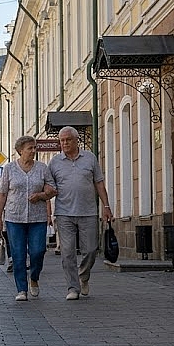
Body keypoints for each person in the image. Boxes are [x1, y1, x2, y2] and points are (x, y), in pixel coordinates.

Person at [49, 125, 113, 301]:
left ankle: (83, 276)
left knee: (91, 250)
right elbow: (48, 187)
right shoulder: (55, 162)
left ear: (76, 140)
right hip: (64, 213)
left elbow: (99, 183)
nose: (65, 143)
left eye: (68, 140)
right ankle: (72, 287)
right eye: (62, 140)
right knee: (67, 253)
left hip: (88, 212)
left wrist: (106, 207)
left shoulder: (89, 158)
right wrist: (48, 210)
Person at [0, 135, 56, 301]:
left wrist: (42, 195)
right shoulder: (9, 169)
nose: (33, 151)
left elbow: (53, 189)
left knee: (38, 251)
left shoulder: (42, 168)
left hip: (38, 218)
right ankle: (21, 289)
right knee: (18, 254)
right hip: (14, 218)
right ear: (20, 150)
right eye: (30, 148)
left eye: (35, 148)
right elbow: (2, 194)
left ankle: (34, 278)